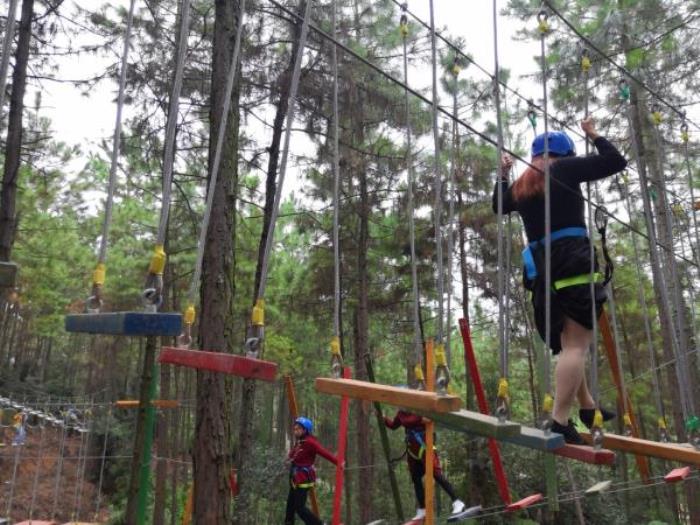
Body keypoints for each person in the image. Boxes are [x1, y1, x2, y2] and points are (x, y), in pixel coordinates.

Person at [492, 118, 626, 444]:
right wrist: (594, 135)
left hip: (542, 270)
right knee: (577, 345)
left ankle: (586, 406)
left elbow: (498, 205)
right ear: (564, 154)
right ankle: (559, 420)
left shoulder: (523, 184)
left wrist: (503, 175)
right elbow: (615, 162)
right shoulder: (564, 171)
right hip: (572, 261)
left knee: (569, 343)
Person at [384, 409, 479, 522]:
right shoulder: (401, 413)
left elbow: (418, 419)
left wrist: (419, 419)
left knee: (437, 475)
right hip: (413, 453)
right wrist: (383, 418)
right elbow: (394, 425)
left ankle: (457, 502)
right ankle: (422, 509)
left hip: (425, 448)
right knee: (416, 479)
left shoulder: (418, 408)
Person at [285, 416, 338, 525]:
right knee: (290, 506)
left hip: (303, 479)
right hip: (295, 478)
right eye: (295, 428)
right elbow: (293, 455)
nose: (296, 430)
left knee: (299, 508)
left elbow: (324, 452)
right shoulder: (300, 441)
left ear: (305, 430)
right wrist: (288, 459)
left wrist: (338, 462)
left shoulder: (310, 442)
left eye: (298, 428)